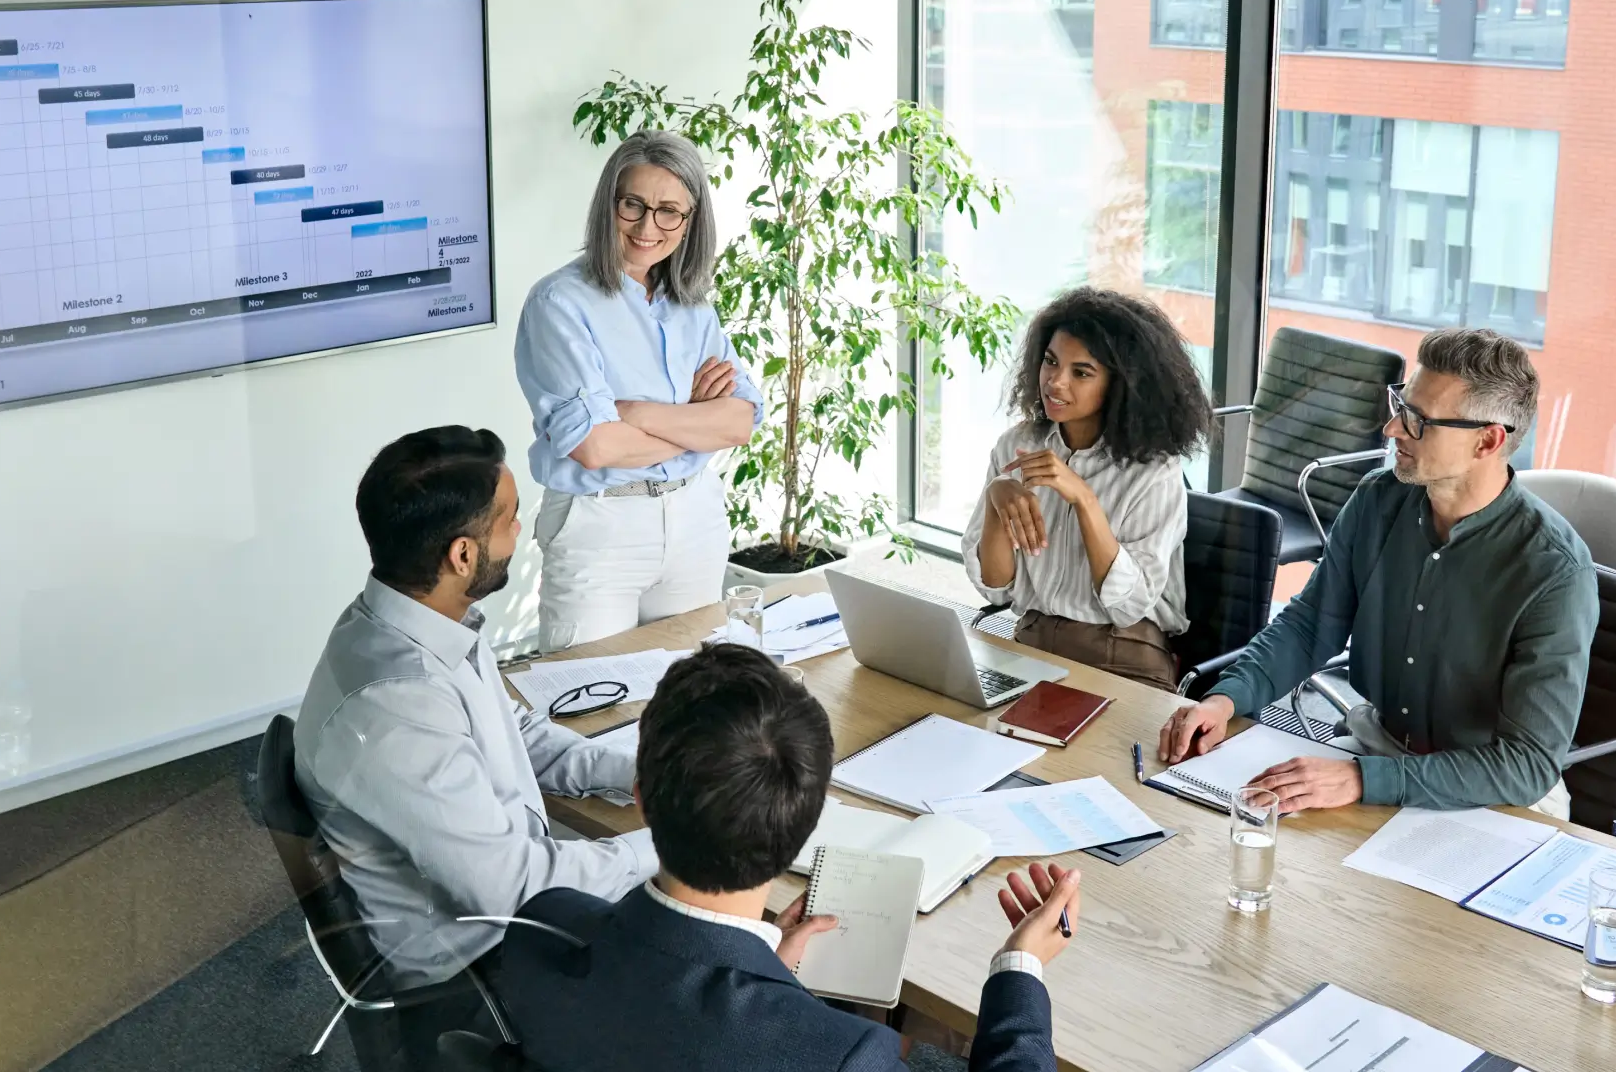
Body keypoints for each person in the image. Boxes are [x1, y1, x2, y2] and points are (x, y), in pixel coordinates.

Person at [500, 644, 1077, 1072]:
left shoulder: (540, 934)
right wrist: (1020, 968)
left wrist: (770, 958)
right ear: (804, 829)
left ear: (643, 800)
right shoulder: (838, 1055)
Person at [293, 427, 659, 1060]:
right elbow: (513, 891)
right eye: (510, 520)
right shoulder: (395, 705)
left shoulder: (422, 622)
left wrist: (657, 775)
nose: (521, 532)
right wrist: (676, 841)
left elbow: (519, 735)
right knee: (711, 961)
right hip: (476, 972)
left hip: (498, 900)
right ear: (463, 555)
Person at [1157, 328, 1599, 818]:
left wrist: (1361, 779)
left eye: (1418, 421)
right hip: (1375, 748)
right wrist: (1224, 700)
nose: (1392, 430)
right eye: (1399, 405)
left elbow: (1526, 765)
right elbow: (1309, 626)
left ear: (1487, 441)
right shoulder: (1377, 498)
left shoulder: (1555, 570)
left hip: (1492, 796)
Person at [515, 129, 763, 651]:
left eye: (670, 211)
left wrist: (633, 412)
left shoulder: (694, 303)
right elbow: (596, 446)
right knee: (590, 704)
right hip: (600, 523)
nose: (649, 226)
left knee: (695, 704)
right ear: (609, 204)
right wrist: (696, 423)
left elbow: (739, 422)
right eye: (634, 205)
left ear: (691, 221)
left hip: (695, 519)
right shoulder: (559, 303)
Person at [962, 287, 1213, 691]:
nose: (1055, 382)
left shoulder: (1154, 473)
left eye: (1081, 372)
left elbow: (1129, 607)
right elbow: (996, 588)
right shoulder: (1016, 446)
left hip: (1124, 656)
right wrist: (996, 498)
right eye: (1050, 362)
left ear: (1121, 385)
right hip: (1033, 643)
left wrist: (1083, 498)